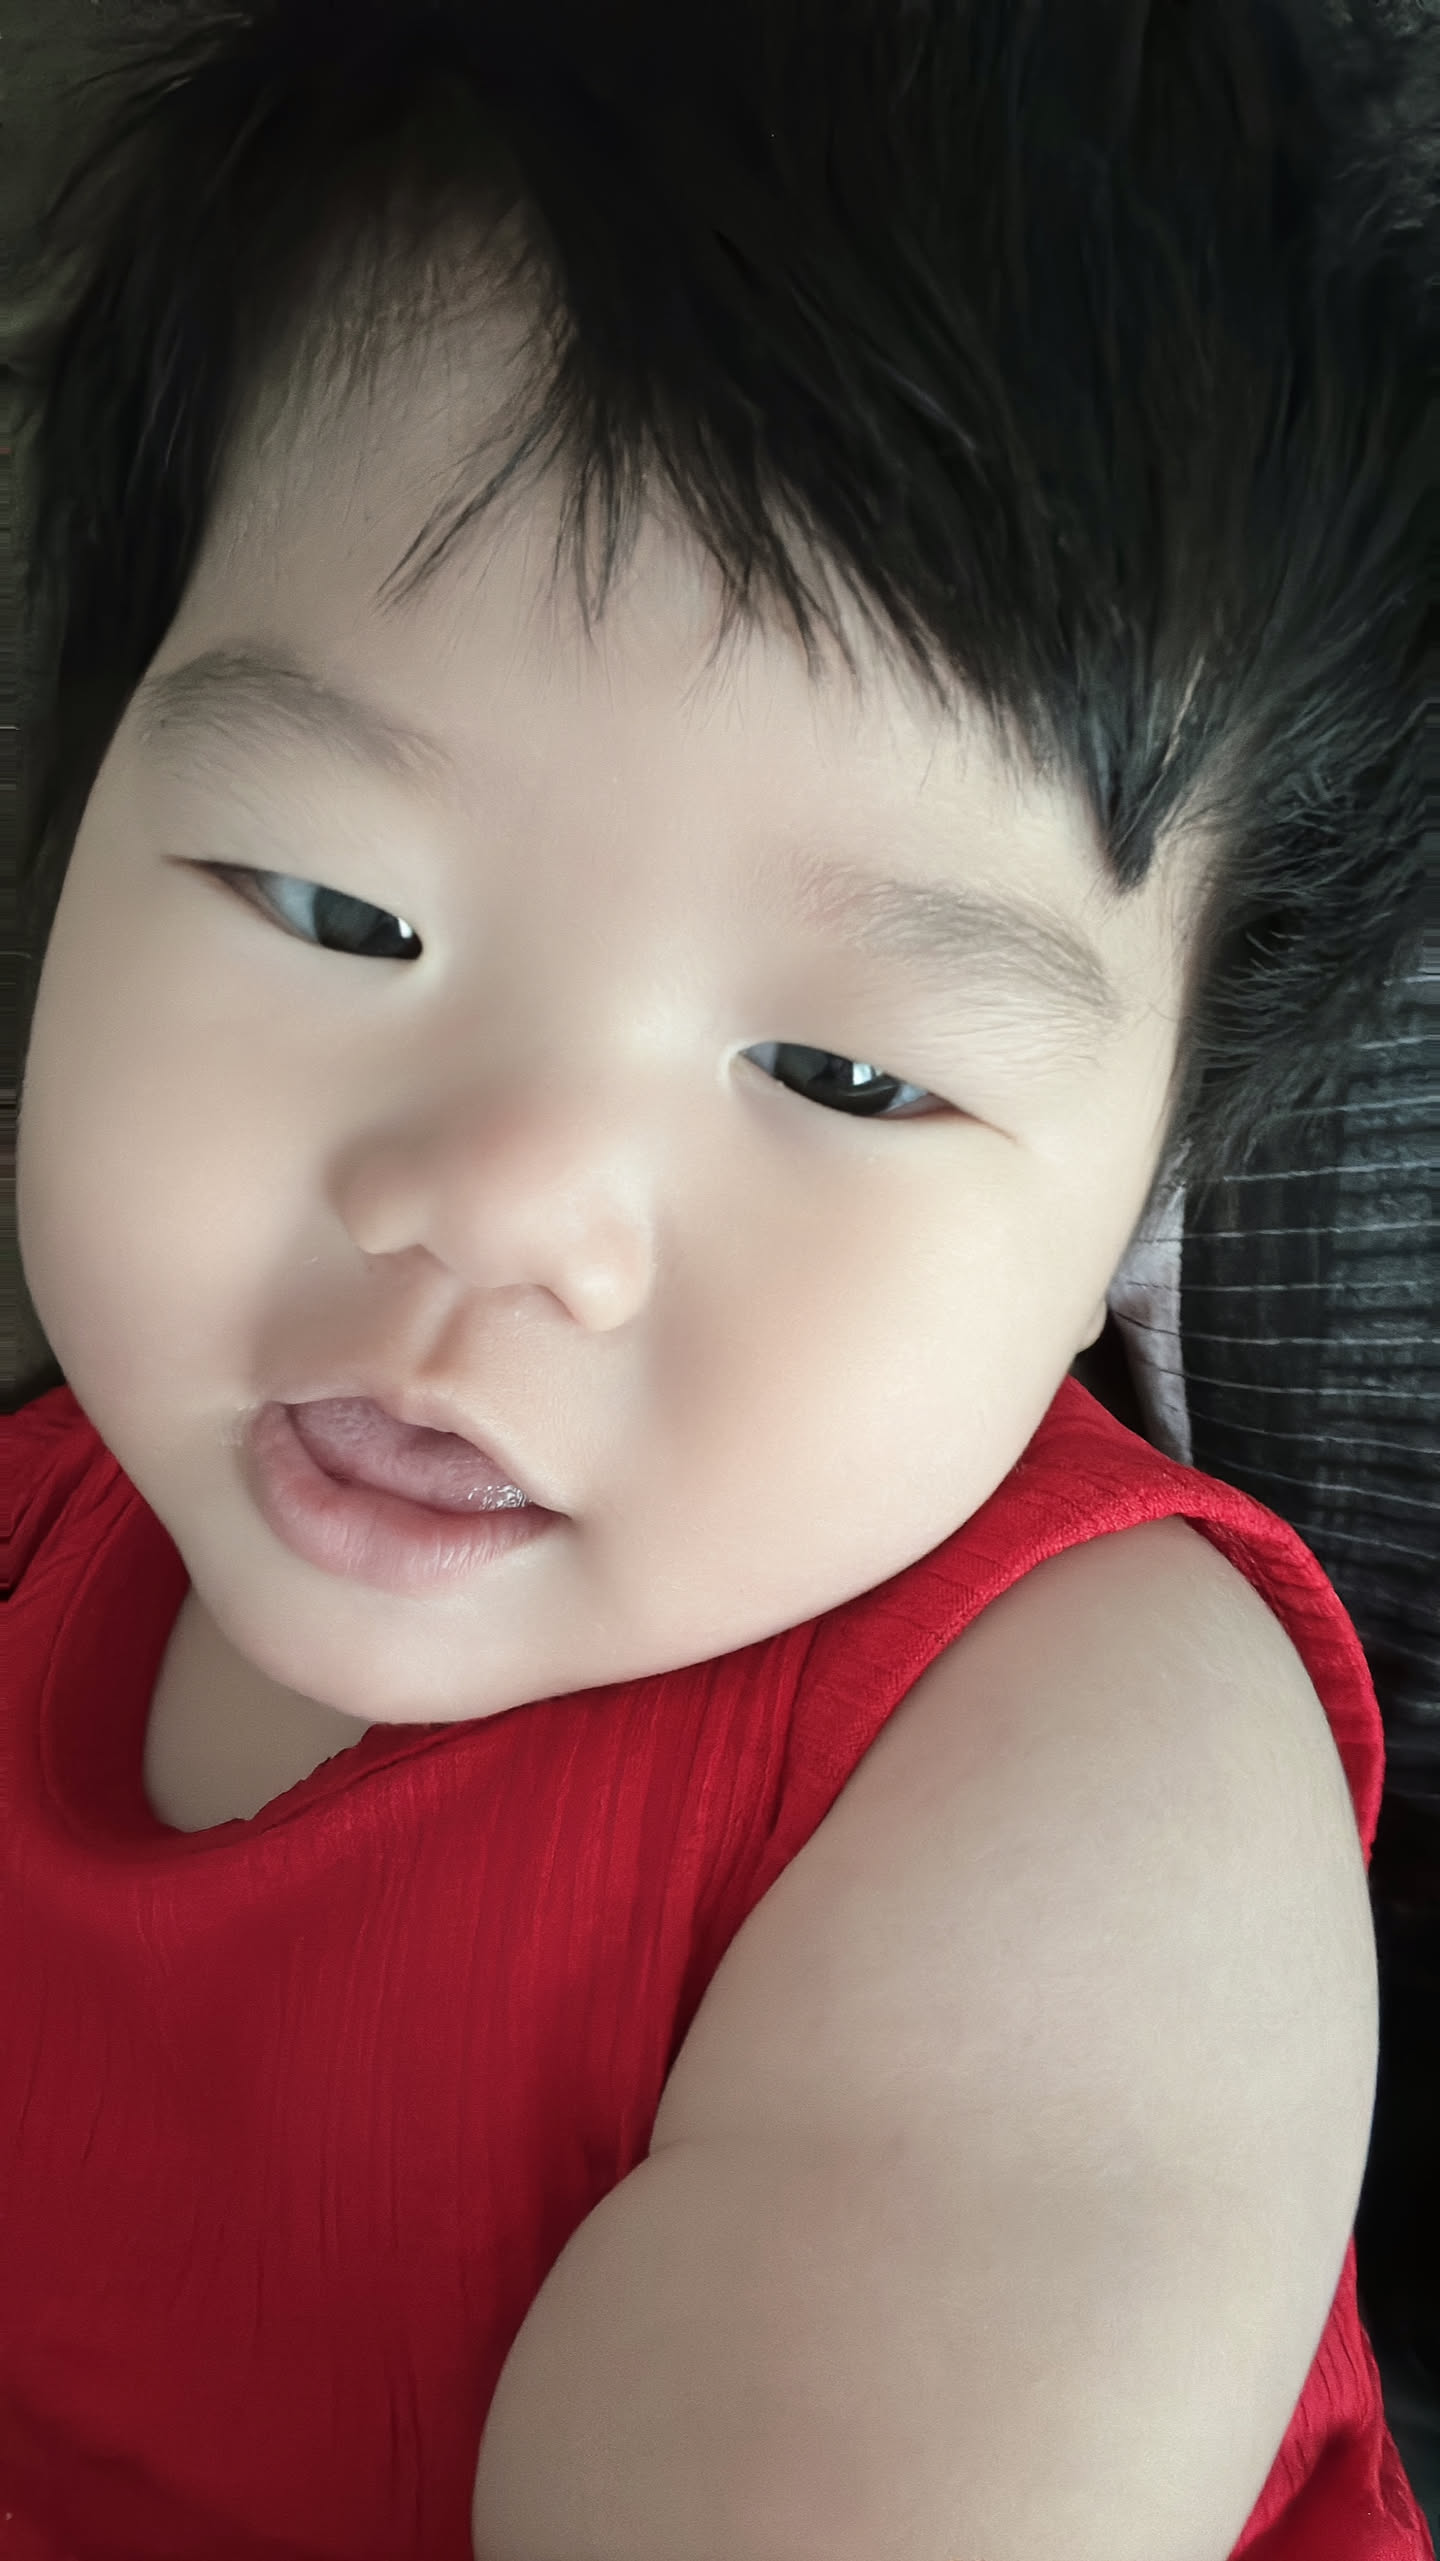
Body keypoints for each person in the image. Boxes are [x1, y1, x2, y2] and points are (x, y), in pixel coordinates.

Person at [4, 2, 1431, 2553]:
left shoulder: (1088, 1773)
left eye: (848, 1078)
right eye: (330, 907)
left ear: (1135, 1203)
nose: (500, 1209)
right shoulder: (54, 1513)